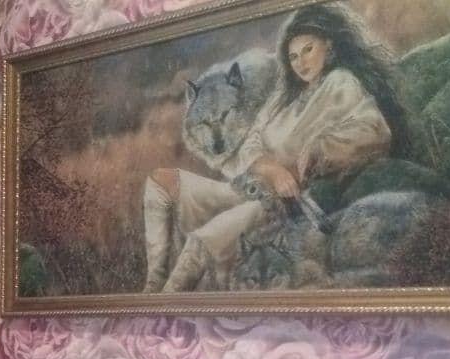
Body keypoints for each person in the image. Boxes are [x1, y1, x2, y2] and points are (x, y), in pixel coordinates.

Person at [142, 2, 406, 292]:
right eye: (293, 56)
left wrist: (315, 153)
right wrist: (271, 168)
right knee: (160, 183)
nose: (301, 62)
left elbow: (375, 131)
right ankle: (151, 286)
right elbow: (251, 142)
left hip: (279, 205)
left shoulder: (340, 83)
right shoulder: (285, 96)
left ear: (329, 46)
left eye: (308, 50)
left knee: (200, 242)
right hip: (248, 185)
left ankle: (156, 307)